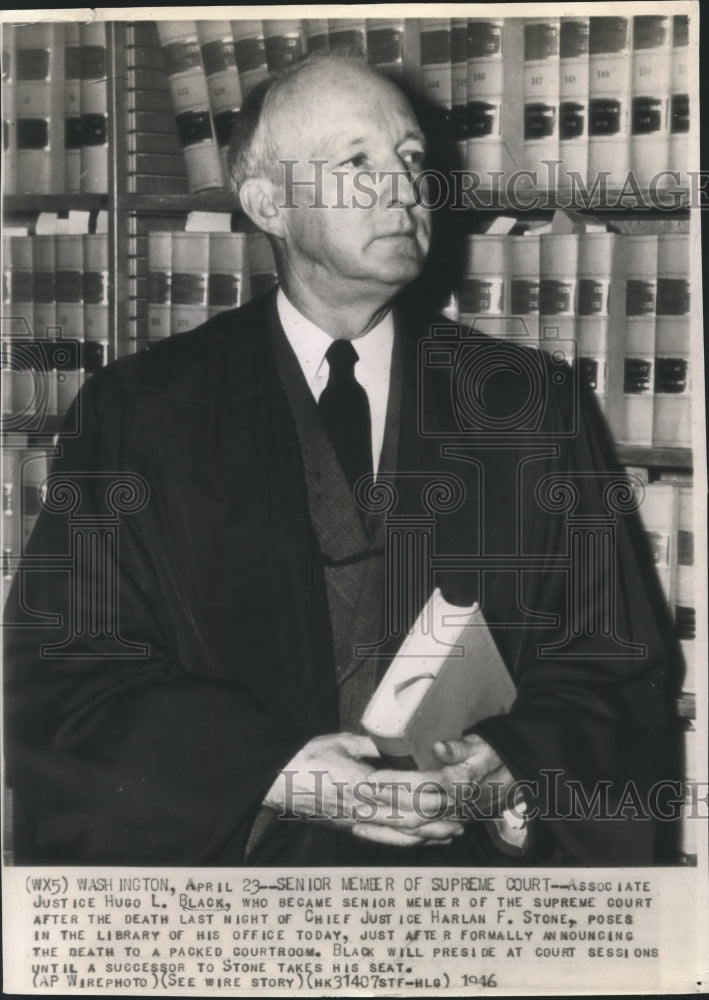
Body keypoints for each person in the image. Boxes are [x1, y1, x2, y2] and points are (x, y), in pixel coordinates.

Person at [4, 52, 679, 867]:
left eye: (409, 160)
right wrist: (280, 771)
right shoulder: (141, 413)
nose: (402, 188)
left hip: (468, 905)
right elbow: (67, 675)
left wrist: (516, 765)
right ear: (268, 204)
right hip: (240, 902)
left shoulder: (529, 405)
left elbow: (614, 669)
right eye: (356, 162)